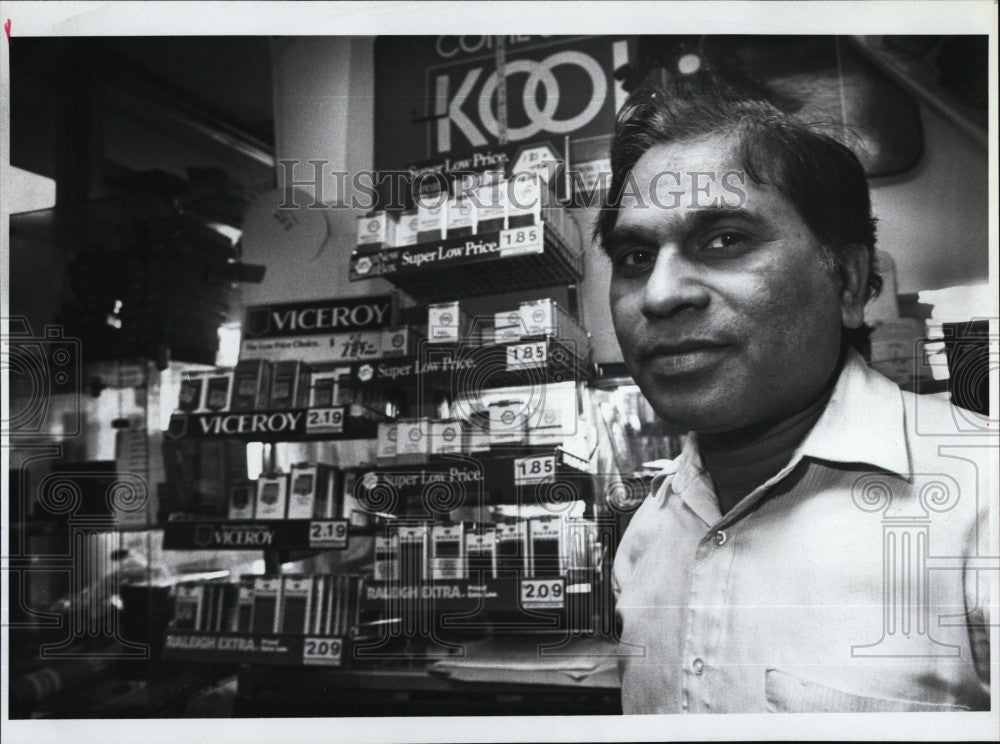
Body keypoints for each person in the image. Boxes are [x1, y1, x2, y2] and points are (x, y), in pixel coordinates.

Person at [597, 77, 991, 714]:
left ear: (850, 282)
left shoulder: (981, 503)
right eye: (636, 256)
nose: (660, 294)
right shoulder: (647, 538)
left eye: (725, 239)